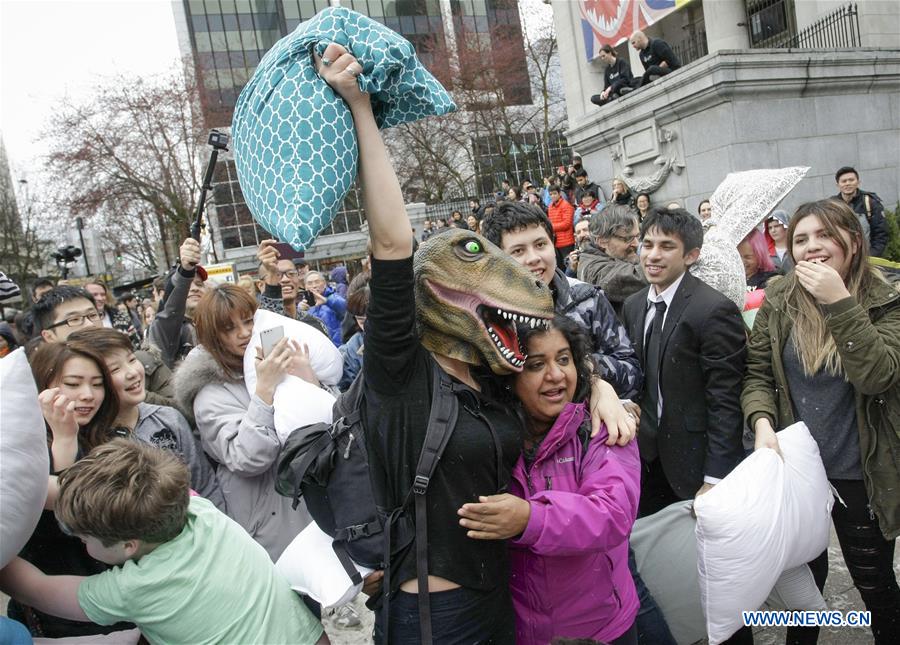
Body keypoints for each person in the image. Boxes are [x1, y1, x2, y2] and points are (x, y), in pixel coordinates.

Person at [315, 42, 634, 643]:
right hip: (438, 614)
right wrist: (360, 108)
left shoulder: (489, 375)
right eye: (471, 255)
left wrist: (603, 392)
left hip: (501, 600)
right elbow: (391, 245)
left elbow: (558, 379)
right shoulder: (401, 375)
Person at [743, 199, 900, 645]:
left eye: (824, 235)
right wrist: (761, 423)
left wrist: (839, 301)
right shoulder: (779, 296)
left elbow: (878, 375)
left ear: (853, 239)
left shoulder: (888, 296)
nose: (812, 247)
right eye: (800, 239)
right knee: (802, 588)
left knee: (874, 586)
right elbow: (757, 372)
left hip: (859, 472)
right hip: (797, 470)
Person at [0, 439, 328, 644]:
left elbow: (36, 590)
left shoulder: (134, 587)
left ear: (128, 544)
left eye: (84, 537)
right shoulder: (196, 508)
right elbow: (97, 494)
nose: (82, 543)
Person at [458, 315, 641, 644]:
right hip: (519, 631)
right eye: (535, 364)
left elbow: (613, 514)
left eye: (564, 359)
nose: (556, 375)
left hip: (600, 630)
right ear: (507, 375)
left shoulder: (601, 428)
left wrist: (530, 518)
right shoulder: (487, 438)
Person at [174, 284, 316, 561]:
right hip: (268, 519)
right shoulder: (209, 394)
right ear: (212, 337)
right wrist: (264, 391)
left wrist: (309, 379)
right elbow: (248, 458)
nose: (244, 333)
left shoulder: (269, 359)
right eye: (229, 328)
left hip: (306, 503)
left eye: (248, 320)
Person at [622, 207, 746, 517]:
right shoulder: (634, 305)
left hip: (693, 463)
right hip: (643, 459)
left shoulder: (713, 309)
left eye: (666, 246)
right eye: (647, 244)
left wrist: (716, 476)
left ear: (691, 255)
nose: (653, 255)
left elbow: (724, 399)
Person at [8, 340, 131, 638]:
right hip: (53, 611)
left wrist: (67, 439)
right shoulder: (15, 452)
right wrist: (63, 441)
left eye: (97, 384)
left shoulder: (115, 440)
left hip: (120, 599)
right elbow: (61, 525)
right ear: (41, 385)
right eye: (73, 384)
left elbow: (97, 519)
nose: (87, 395)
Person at [481, 201, 643, 400]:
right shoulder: (486, 315)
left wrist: (585, 368)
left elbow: (633, 375)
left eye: (540, 245)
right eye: (518, 251)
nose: (533, 258)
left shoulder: (587, 299)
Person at [67, 326, 225, 510]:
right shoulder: (83, 438)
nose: (132, 372)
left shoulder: (167, 418)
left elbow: (205, 485)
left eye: (132, 359)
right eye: (115, 369)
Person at [146, 237, 209, 369]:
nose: (195, 288)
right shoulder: (166, 330)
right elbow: (170, 312)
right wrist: (185, 271)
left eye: (199, 284)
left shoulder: (216, 324)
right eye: (188, 285)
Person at [578, 206, 648, 319]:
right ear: (602, 241)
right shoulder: (592, 269)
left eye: (637, 236)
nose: (636, 243)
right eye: (628, 238)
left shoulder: (616, 255)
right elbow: (634, 277)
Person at [832, 165, 888, 257]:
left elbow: (881, 234)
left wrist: (872, 257)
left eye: (851, 180)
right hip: (842, 257)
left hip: (867, 256)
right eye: (844, 181)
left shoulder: (870, 202)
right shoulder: (832, 205)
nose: (847, 183)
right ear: (838, 185)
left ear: (858, 182)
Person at [84, 280, 140, 348]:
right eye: (94, 295)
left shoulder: (120, 316)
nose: (100, 298)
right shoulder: (80, 321)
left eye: (103, 294)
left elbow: (136, 343)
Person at [301, 270, 347, 346]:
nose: (314, 286)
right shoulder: (304, 304)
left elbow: (346, 309)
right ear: (305, 287)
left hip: (337, 345)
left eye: (317, 282)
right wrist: (299, 310)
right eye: (310, 283)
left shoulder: (334, 298)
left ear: (324, 284)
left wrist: (327, 301)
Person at [339, 278, 369, 390]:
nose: (367, 326)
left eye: (373, 319)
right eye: (361, 321)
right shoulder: (353, 346)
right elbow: (349, 389)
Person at [547, 184, 577, 268]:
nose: (552, 196)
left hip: (566, 242)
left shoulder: (566, 205)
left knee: (569, 266)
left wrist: (551, 226)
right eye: (550, 194)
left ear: (559, 193)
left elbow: (567, 224)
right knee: (560, 266)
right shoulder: (550, 207)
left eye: (554, 193)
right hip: (556, 242)